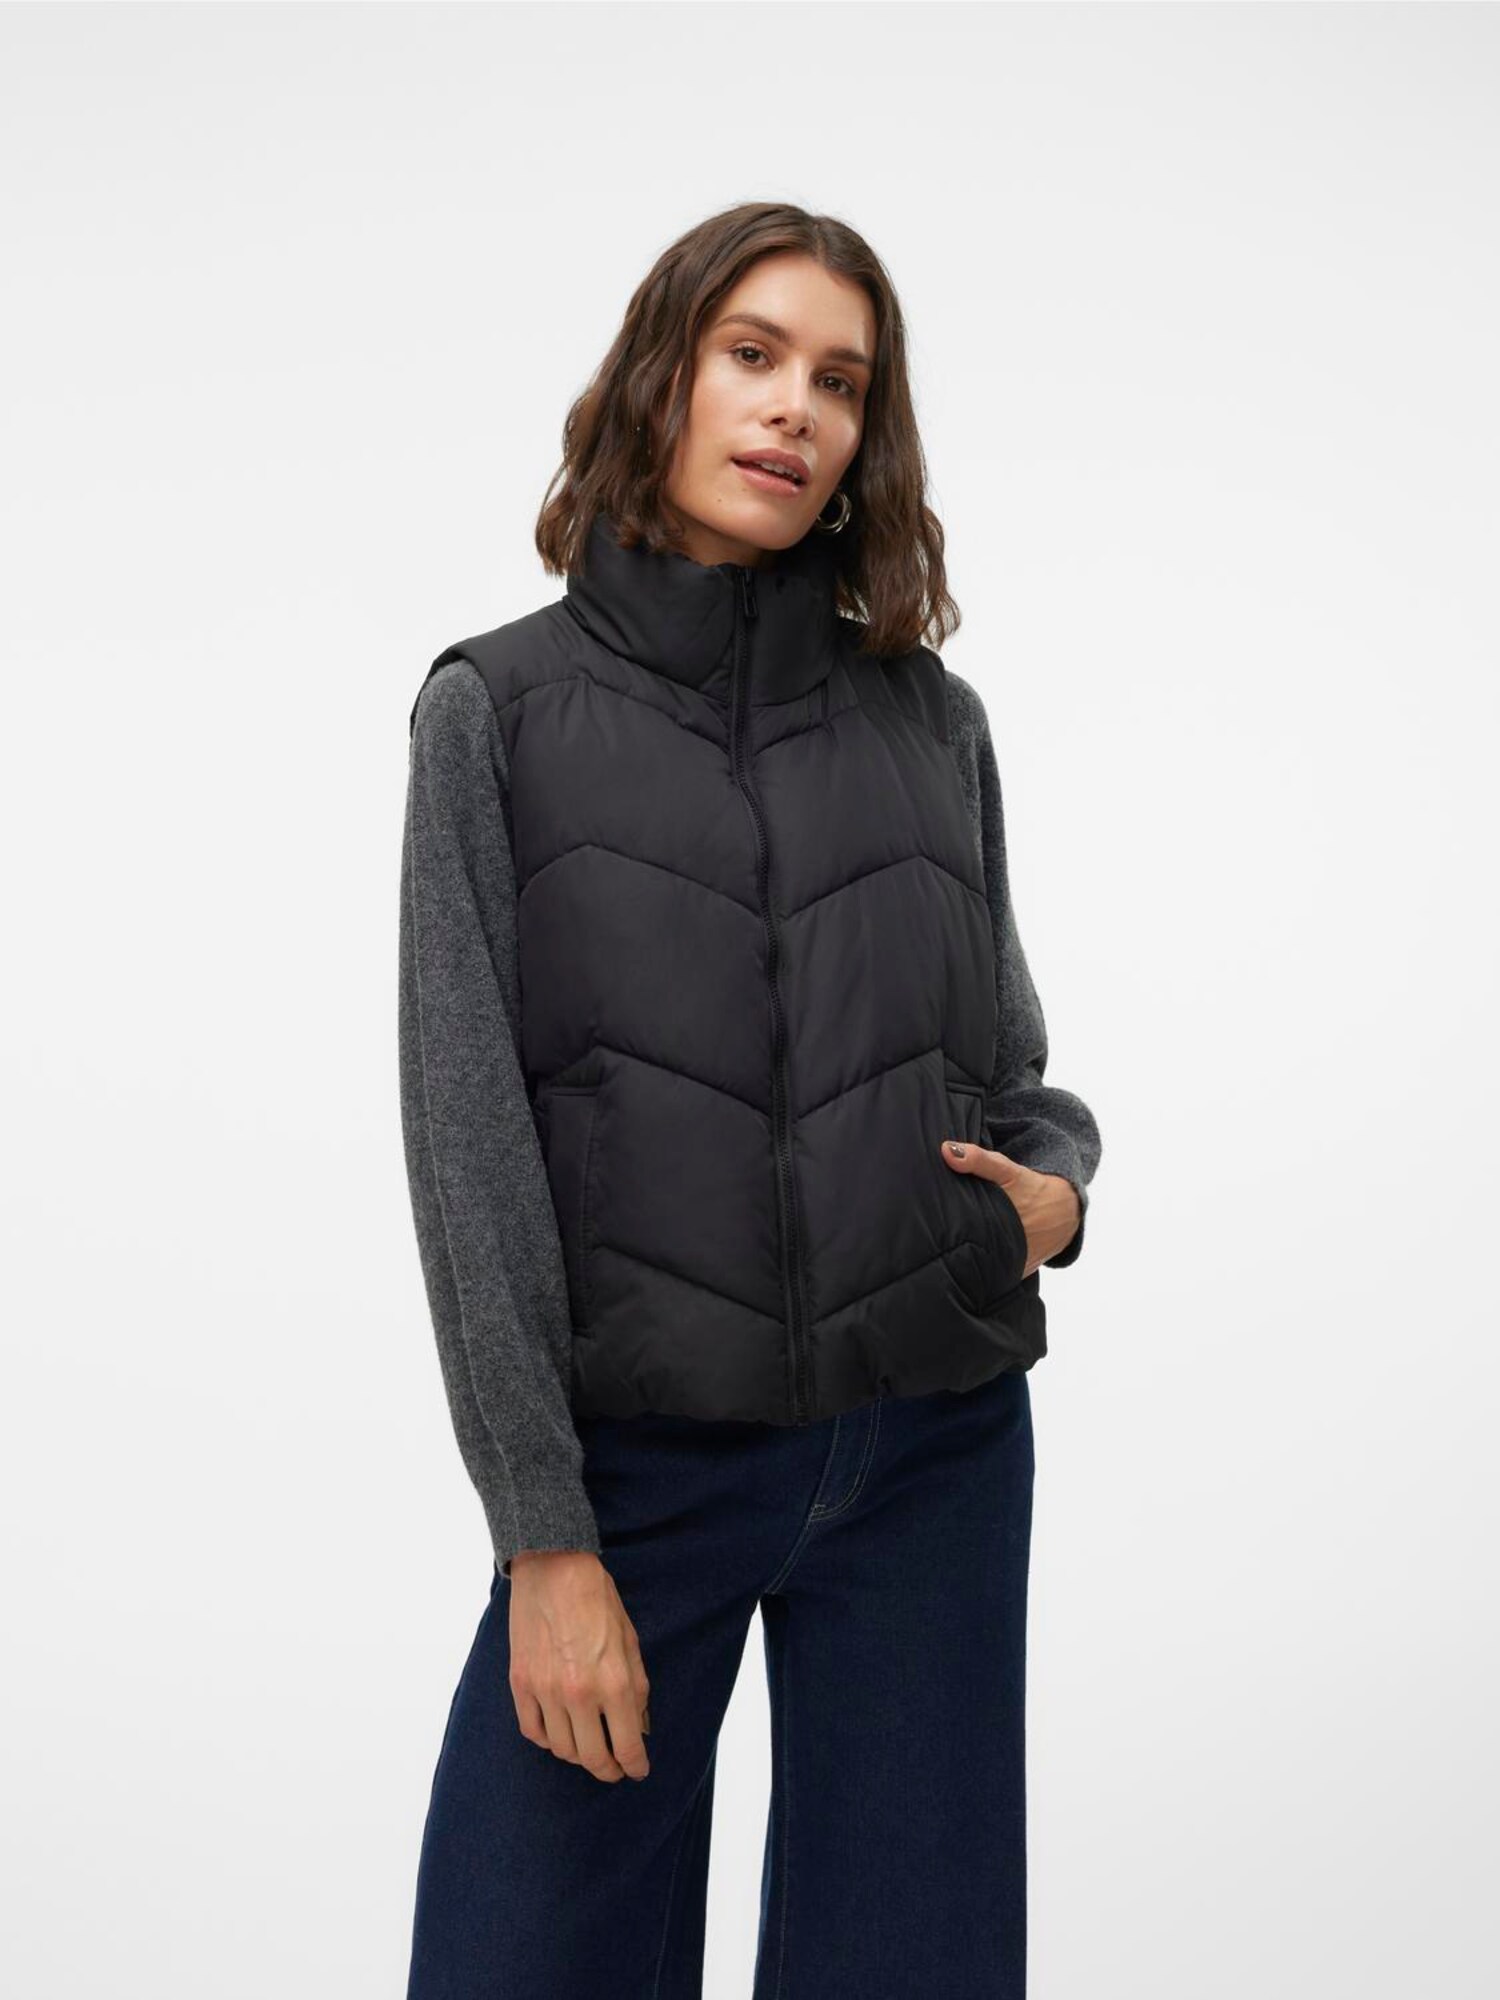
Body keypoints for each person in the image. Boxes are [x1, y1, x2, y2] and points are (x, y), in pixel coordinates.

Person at [397, 200, 1102, 2000]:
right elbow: (470, 1153)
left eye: (842, 382)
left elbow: (1010, 1062)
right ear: (667, 376)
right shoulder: (497, 712)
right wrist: (543, 1535)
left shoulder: (929, 718)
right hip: (640, 1473)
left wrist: (1054, 1188)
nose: (797, 407)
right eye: (754, 354)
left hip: (933, 1447)